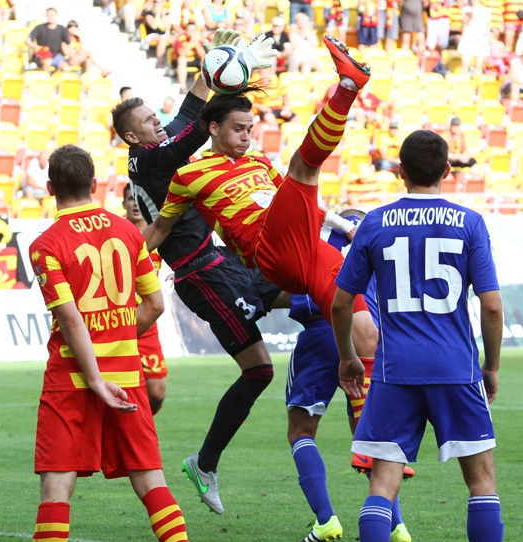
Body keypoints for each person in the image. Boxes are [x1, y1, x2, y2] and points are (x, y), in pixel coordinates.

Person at [112, 29, 283, 515]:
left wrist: (213, 70)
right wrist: (221, 74)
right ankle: (204, 464)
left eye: (156, 116)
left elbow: (188, 114)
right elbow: (194, 129)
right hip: (202, 276)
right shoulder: (148, 160)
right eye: (149, 120)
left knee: (305, 288)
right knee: (260, 371)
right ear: (132, 136)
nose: (158, 122)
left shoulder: (157, 149)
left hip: (221, 261)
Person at [331, 130, 504, 542]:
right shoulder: (469, 222)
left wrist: (348, 357)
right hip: (456, 368)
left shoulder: (375, 223)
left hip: (395, 371)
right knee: (481, 481)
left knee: (383, 482)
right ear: (447, 170)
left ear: (400, 171)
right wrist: (491, 367)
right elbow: (491, 306)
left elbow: (342, 302)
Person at [26, 146, 204, 542]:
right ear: (94, 185)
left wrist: (93, 377)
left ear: (50, 188)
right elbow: (155, 305)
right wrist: (120, 339)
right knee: (150, 480)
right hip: (126, 376)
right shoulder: (128, 233)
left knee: (56, 488)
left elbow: (70, 320)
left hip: (71, 381)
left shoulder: (46, 245)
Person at [143, 35, 366, 328]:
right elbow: (160, 228)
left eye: (249, 129)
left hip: (303, 247)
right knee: (302, 168)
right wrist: (125, 260)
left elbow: (297, 206)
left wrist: (346, 226)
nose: (246, 137)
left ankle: (354, 356)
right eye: (238, 129)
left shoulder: (259, 160)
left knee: (366, 334)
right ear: (214, 128)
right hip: (265, 248)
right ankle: (347, 89)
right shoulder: (190, 175)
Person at [286, 209, 413, 542]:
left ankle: (326, 518)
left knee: (300, 430)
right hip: (371, 343)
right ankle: (396, 525)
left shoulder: (319, 245)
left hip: (323, 334)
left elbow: (305, 300)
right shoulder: (376, 245)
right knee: (369, 436)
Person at [123, 183, 169, 415]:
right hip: (117, 319)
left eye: (137, 199)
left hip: (146, 318)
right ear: (124, 204)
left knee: (157, 392)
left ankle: (140, 424)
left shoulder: (159, 234)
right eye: (130, 199)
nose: (134, 204)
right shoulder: (114, 232)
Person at [26, 7, 71, 73]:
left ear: (56, 15)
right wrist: (38, 47)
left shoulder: (62, 29)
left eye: (52, 14)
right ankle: (48, 78)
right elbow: (27, 40)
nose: (50, 16)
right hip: (42, 55)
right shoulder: (39, 28)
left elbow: (68, 44)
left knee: (66, 68)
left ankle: (57, 79)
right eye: (48, 14)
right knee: (47, 61)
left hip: (56, 56)